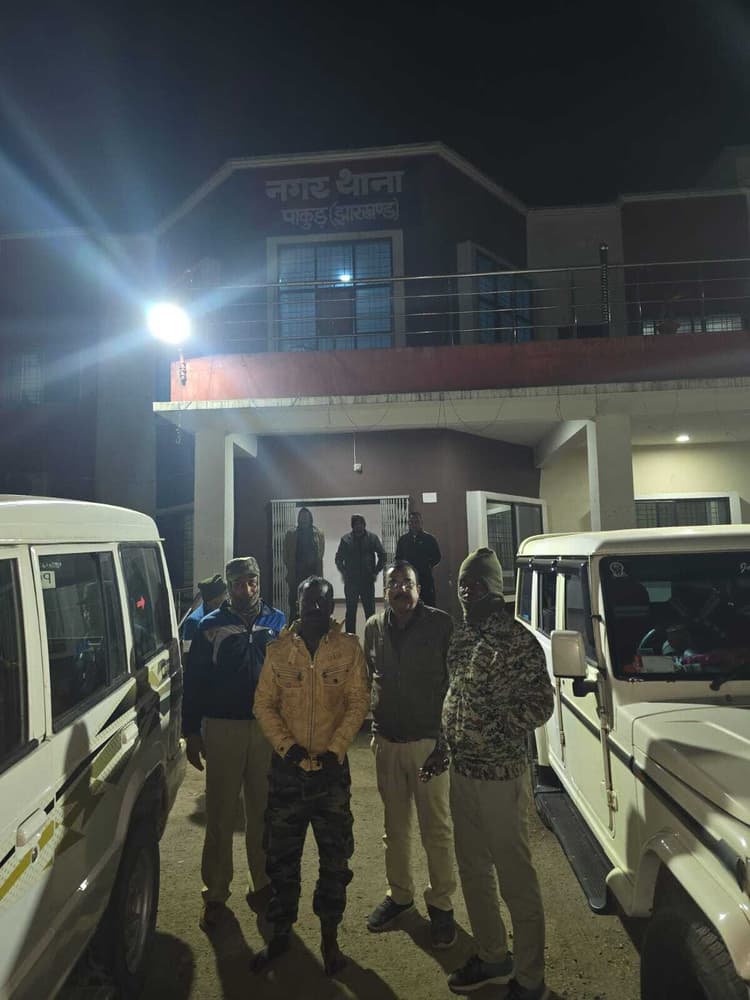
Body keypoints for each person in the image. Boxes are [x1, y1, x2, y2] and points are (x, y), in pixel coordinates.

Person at [425, 547, 553, 1000]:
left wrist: (498, 727)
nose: (467, 591)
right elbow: (455, 697)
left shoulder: (517, 641)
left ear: (494, 589)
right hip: (462, 774)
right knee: (474, 871)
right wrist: (444, 746)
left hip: (500, 777)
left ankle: (530, 978)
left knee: (515, 878)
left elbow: (542, 703)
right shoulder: (462, 638)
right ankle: (494, 956)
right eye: (463, 584)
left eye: (476, 584)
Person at [252, 576, 369, 975]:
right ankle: (280, 933)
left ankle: (330, 937)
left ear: (332, 606)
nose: (316, 609)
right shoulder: (278, 650)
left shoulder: (348, 649)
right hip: (288, 775)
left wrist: (337, 749)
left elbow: (358, 700)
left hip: (332, 776)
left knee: (335, 860)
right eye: (309, 602)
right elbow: (264, 704)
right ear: (297, 603)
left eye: (323, 602)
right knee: (281, 859)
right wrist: (288, 748)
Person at [182, 556, 286, 931]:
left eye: (252, 581)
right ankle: (215, 894)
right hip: (222, 728)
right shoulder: (209, 626)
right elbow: (194, 682)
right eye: (240, 583)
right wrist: (191, 732)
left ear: (260, 582)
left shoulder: (277, 621)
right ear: (229, 586)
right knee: (220, 815)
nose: (247, 589)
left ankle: (263, 885)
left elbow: (289, 677)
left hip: (265, 730)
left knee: (263, 813)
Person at [364, 560, 456, 947]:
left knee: (436, 829)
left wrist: (445, 743)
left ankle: (442, 905)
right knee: (395, 828)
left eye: (408, 582)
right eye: (394, 584)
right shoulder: (373, 627)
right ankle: (400, 895)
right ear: (385, 591)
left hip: (427, 747)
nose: (401, 589)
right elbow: (370, 677)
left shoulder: (440, 625)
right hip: (387, 745)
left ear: (419, 588)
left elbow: (455, 686)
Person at [335, 514, 386, 634]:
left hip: (367, 580)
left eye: (361, 524)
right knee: (350, 611)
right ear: (352, 526)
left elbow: (382, 555)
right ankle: (350, 638)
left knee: (370, 611)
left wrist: (376, 571)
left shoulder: (372, 538)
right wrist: (344, 572)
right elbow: (338, 559)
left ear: (364, 525)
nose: (359, 526)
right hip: (351, 581)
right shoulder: (346, 540)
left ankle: (372, 636)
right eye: (356, 524)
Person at [283, 507, 325, 620]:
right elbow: (285, 555)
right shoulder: (291, 534)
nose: (304, 519)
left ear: (310, 518)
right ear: (298, 518)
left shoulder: (318, 534)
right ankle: (293, 628)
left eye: (306, 516)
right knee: (294, 605)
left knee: (313, 604)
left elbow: (321, 553)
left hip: (313, 575)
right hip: (296, 574)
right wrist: (291, 567)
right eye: (301, 517)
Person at [395, 511, 441, 607]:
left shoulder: (429, 539)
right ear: (408, 523)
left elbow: (437, 557)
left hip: (425, 578)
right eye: (411, 522)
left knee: (428, 604)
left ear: (421, 523)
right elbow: (398, 558)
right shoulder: (403, 540)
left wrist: (427, 565)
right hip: (408, 579)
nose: (414, 524)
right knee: (409, 604)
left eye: (416, 522)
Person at [181, 573, 227, 643]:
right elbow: (188, 649)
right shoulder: (193, 622)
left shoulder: (227, 614)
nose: (226, 597)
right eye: (216, 603)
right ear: (209, 602)